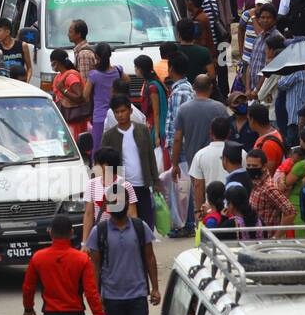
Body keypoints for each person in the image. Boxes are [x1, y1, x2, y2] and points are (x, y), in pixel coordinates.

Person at [84, 189, 159, 315]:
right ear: (108, 206)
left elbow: (150, 258)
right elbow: (94, 266)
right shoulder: (99, 231)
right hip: (112, 298)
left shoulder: (140, 227)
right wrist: (96, 296)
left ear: (127, 205)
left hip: (138, 295)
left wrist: (155, 288)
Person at [23, 214, 106, 315]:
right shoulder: (82, 259)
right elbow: (91, 293)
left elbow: (28, 288)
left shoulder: (38, 258)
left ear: (50, 233)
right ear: (72, 232)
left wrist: (28, 308)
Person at [170, 75, 228, 236]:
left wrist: (174, 164)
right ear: (211, 88)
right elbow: (228, 134)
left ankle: (201, 228)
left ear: (194, 88)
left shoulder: (184, 109)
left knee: (199, 197)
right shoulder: (220, 108)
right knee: (220, 194)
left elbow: (177, 138)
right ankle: (221, 227)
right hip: (219, 159)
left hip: (194, 160)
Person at [98, 96, 158, 229]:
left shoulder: (142, 130)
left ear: (130, 111)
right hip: (120, 188)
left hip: (142, 185)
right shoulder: (109, 136)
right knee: (123, 226)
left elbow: (150, 156)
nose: (120, 115)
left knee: (146, 226)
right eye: (116, 112)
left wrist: (156, 181)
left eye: (123, 111)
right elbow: (102, 161)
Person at [83, 43, 123, 148]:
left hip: (100, 117)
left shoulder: (94, 74)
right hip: (116, 115)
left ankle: (98, 165)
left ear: (96, 56)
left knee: (98, 147)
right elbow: (127, 82)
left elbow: (85, 95)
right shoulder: (118, 70)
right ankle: (114, 166)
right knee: (115, 148)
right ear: (110, 55)